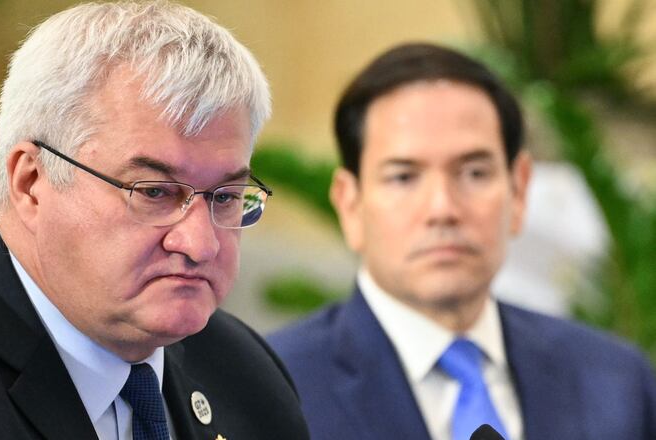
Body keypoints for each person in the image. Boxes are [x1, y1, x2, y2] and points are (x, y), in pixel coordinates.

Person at [0, 2, 309, 439]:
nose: (201, 244)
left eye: (226, 197)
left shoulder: (245, 374)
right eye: (154, 192)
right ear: (30, 182)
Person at [268, 43, 656, 440]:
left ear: (519, 191)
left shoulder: (617, 382)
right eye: (403, 177)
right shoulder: (274, 390)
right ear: (350, 204)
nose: (443, 209)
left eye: (474, 173)